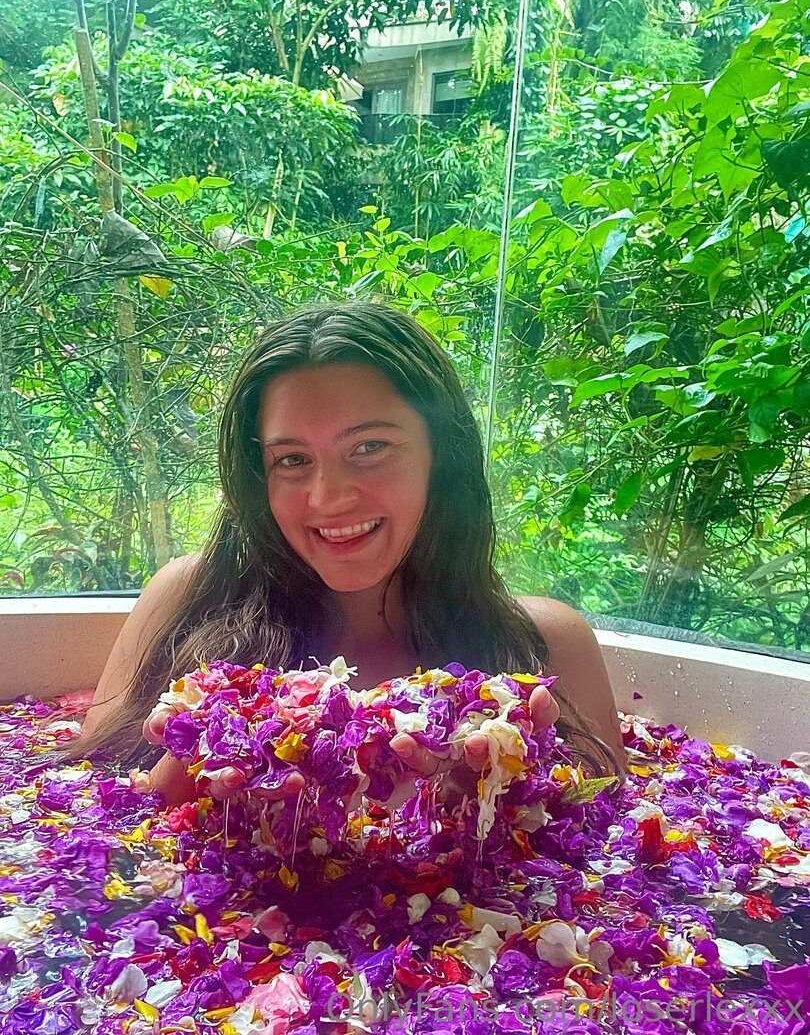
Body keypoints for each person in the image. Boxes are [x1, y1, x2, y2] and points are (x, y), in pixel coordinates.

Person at [70, 301, 625, 805]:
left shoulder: (549, 646)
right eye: (292, 459)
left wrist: (502, 808)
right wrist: (175, 793)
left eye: (369, 447)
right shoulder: (187, 598)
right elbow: (79, 807)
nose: (327, 497)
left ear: (442, 457)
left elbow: (613, 845)